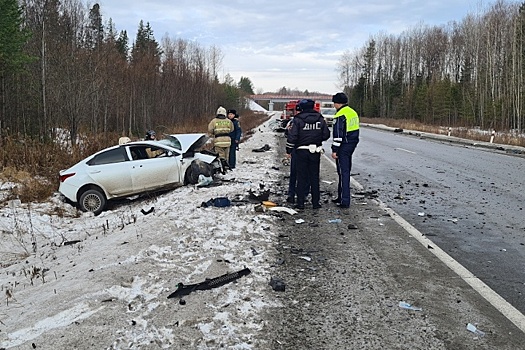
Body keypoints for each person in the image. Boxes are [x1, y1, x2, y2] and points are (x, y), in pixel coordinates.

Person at [286, 99, 330, 209]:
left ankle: (300, 203)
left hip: (301, 151)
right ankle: (316, 203)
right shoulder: (320, 118)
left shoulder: (298, 119)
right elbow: (326, 135)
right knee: (314, 177)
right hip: (315, 151)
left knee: (301, 177)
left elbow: (293, 136)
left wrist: (289, 150)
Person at [330, 92, 360, 209]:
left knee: (343, 173)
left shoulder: (340, 115)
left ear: (337, 103)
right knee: (345, 171)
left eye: (334, 103)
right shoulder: (352, 112)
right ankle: (341, 196)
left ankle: (344, 200)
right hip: (351, 144)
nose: (334, 105)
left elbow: (338, 135)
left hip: (343, 146)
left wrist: (334, 150)